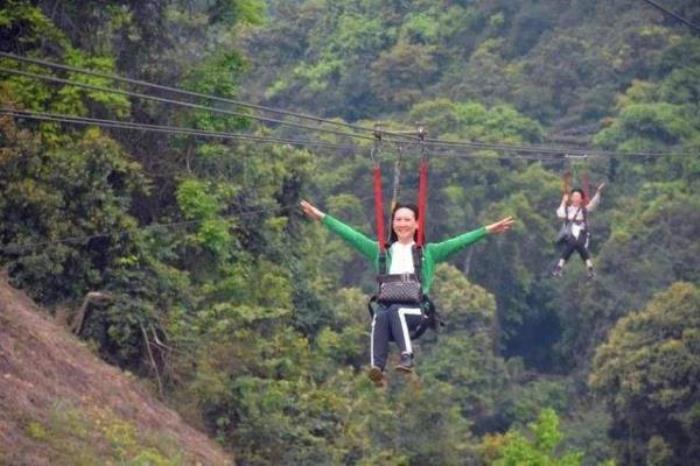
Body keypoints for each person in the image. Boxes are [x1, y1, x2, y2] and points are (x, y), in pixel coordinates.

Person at [300, 199, 514, 387]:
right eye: (398, 220)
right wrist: (322, 217)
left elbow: (460, 241)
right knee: (380, 315)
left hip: (416, 311)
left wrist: (487, 230)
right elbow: (351, 235)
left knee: (395, 311)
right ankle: (378, 369)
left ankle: (407, 355)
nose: (402, 224)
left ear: (416, 224)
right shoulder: (382, 252)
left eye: (407, 219)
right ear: (393, 224)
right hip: (389, 309)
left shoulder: (428, 253)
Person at [552, 183, 605, 278]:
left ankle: (560, 267)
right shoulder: (568, 210)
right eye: (574, 196)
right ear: (571, 198)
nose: (576, 198)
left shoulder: (584, 210)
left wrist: (598, 193)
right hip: (570, 232)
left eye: (578, 196)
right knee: (572, 244)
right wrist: (563, 201)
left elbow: (593, 204)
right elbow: (560, 214)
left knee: (578, 244)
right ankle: (560, 268)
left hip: (582, 232)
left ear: (581, 199)